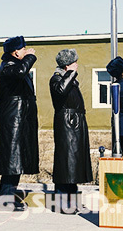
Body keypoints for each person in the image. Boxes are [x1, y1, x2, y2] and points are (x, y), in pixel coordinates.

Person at [0, 36, 39, 210]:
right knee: (11, 161)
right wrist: (30, 57)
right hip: (12, 118)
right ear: (15, 52)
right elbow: (20, 72)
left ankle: (10, 197)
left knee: (17, 160)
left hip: (20, 118)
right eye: (23, 49)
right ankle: (6, 200)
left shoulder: (15, 66)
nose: (26, 51)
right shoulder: (8, 67)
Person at [49, 49, 92, 213]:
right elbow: (60, 91)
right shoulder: (56, 78)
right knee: (65, 163)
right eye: (74, 63)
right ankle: (61, 202)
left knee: (73, 164)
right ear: (67, 65)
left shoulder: (70, 79)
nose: (77, 65)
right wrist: (71, 74)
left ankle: (73, 200)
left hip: (75, 123)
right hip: (66, 124)